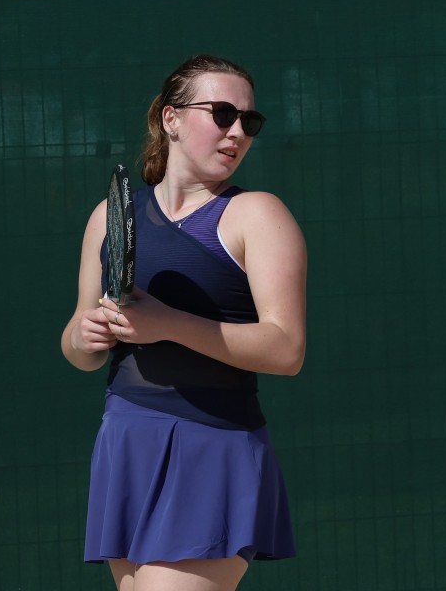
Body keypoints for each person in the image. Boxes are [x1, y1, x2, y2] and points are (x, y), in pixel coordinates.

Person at [61, 54, 307, 591]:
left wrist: (168, 322)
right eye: (222, 114)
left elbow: (286, 349)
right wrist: (83, 336)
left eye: (249, 120)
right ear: (170, 119)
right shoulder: (109, 217)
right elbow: (80, 346)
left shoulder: (257, 214)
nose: (237, 132)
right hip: (126, 440)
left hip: (212, 445)